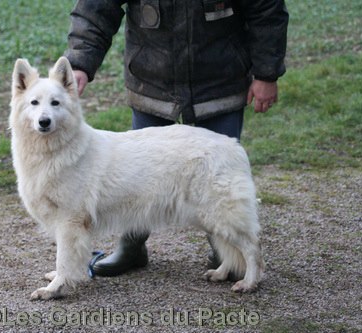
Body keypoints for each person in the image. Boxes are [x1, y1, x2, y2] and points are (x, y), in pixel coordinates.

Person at [64, 0, 289, 278]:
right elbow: (96, 7)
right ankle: (132, 245)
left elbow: (266, 8)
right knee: (133, 176)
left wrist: (267, 72)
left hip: (220, 80)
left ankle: (227, 251)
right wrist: (79, 62)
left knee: (217, 180)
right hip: (151, 79)